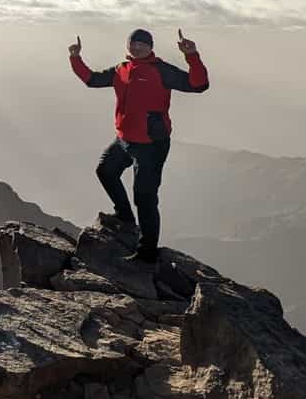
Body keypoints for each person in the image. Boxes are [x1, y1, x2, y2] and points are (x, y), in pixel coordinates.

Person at [68, 27, 209, 265]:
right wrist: (75, 58)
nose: (136, 47)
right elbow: (92, 80)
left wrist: (192, 55)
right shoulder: (121, 70)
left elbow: (199, 85)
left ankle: (147, 253)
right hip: (125, 140)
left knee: (145, 197)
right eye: (133, 43)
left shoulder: (161, 70)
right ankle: (124, 217)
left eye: (142, 44)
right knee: (105, 170)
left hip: (152, 144)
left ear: (150, 47)